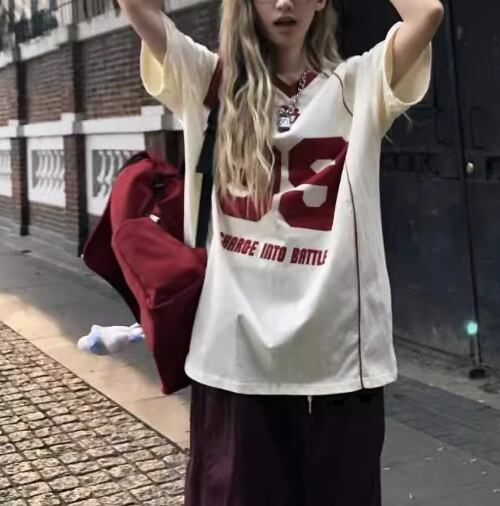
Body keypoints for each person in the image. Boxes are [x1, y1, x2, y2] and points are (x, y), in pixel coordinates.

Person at [118, 0, 444, 504]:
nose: (284, 3)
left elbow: (427, 14)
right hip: (234, 363)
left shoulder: (358, 84)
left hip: (337, 363)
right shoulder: (210, 82)